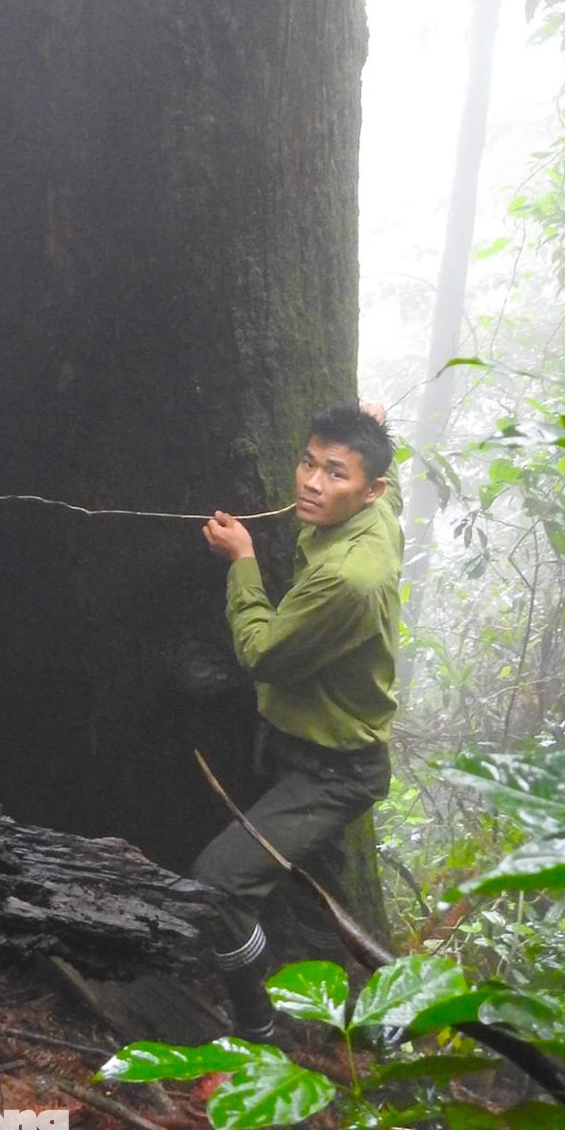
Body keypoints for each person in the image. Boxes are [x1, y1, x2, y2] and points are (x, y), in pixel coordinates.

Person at [193, 401, 401, 1041]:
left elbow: (263, 655)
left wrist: (242, 562)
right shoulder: (379, 513)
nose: (311, 483)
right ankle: (355, 1020)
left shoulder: (346, 579)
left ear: (369, 491)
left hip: (333, 773)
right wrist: (369, 420)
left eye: (335, 473)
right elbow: (385, 476)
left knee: (219, 883)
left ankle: (258, 1024)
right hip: (310, 751)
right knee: (319, 898)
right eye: (308, 463)